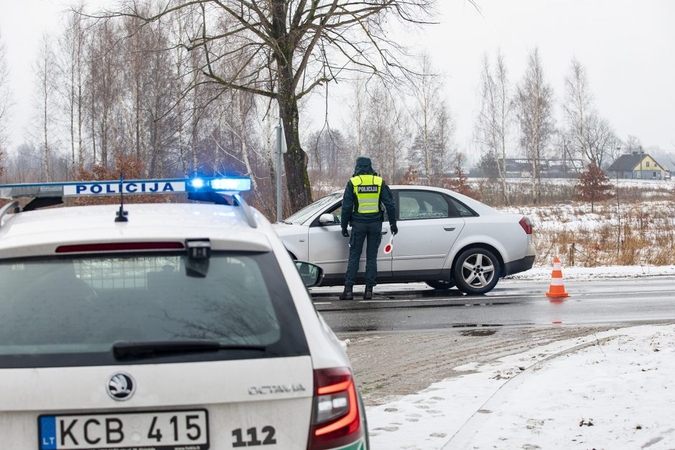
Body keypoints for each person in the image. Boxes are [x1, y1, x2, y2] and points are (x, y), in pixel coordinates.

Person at [339, 157, 397, 300]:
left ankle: (348, 291)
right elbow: (390, 204)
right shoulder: (378, 181)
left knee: (354, 256)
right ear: (370, 166)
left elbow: (346, 207)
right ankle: (369, 291)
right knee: (371, 257)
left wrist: (344, 225)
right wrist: (393, 223)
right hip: (375, 224)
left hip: (358, 224)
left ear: (357, 166)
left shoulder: (353, 182)